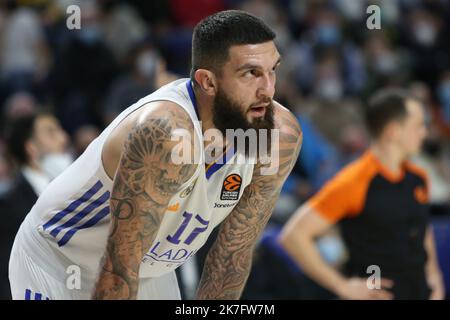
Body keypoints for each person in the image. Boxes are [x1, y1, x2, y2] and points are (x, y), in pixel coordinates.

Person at [9, 10, 302, 300]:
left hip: (147, 271)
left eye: (272, 70)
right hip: (58, 261)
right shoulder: (166, 135)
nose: (268, 89)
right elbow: (119, 264)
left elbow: (232, 255)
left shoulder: (279, 138)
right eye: (251, 73)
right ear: (208, 82)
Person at [279, 89, 444, 300]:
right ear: (394, 131)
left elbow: (422, 229)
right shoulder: (353, 181)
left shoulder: (418, 177)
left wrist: (434, 276)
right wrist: (342, 286)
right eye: (419, 125)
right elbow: (293, 236)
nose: (424, 132)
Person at [0, 111, 70, 299]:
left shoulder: (70, 195)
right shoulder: (8, 208)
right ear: (31, 148)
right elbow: (8, 276)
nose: (63, 138)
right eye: (51, 132)